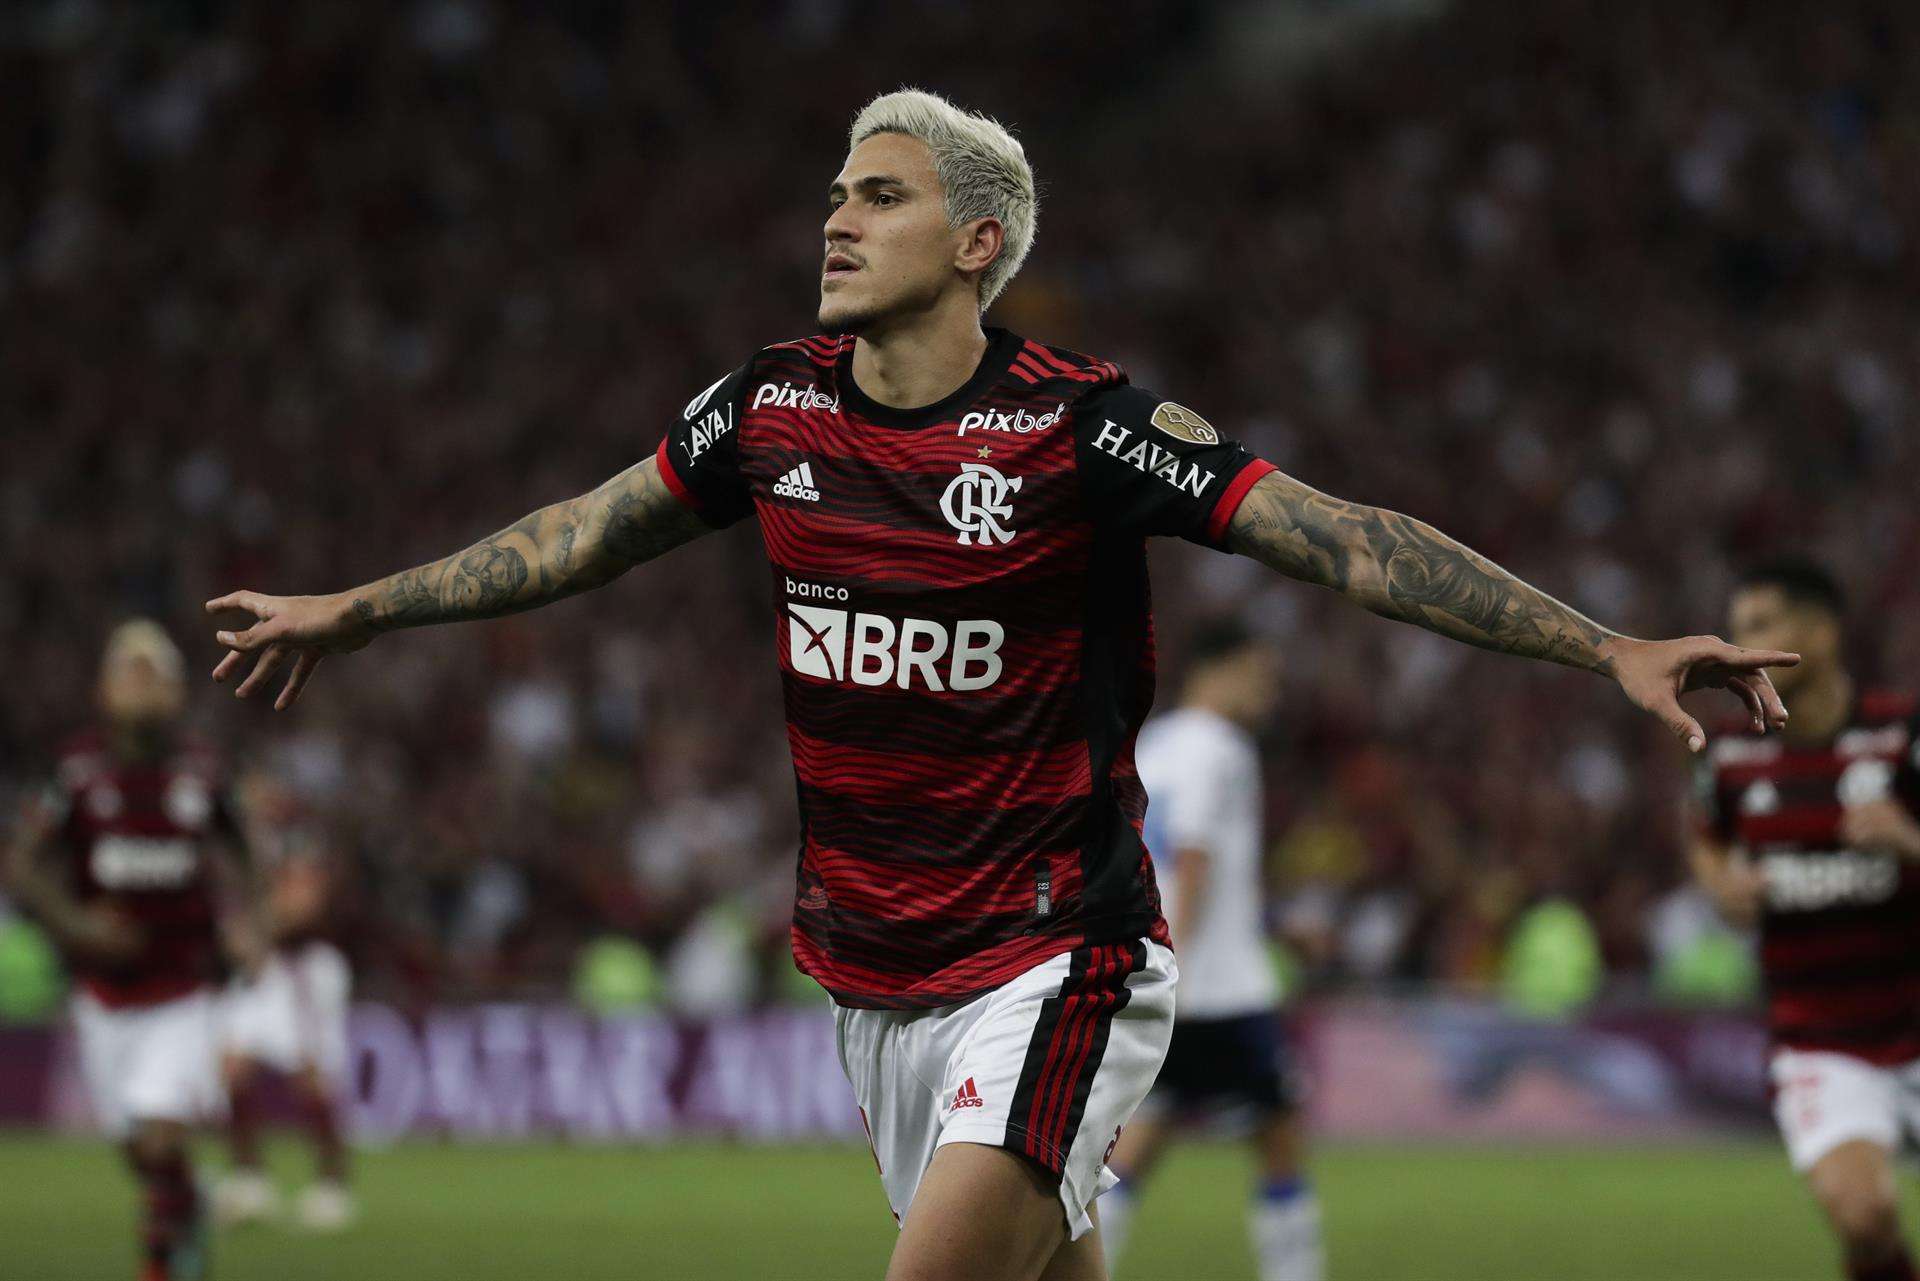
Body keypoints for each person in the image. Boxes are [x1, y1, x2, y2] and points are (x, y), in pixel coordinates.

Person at [202, 88, 1795, 1281]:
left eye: (879, 196)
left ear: (977, 245)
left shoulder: (1080, 426)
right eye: (836, 189)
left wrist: (1607, 644)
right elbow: (575, 536)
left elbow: (1343, 540)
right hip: (872, 976)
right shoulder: (766, 410)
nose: (835, 217)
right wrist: (358, 609)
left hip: (1058, 954)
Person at [5, 621, 257, 1281]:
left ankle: (162, 1266)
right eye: (128, 669)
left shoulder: (202, 771)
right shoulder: (77, 772)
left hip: (182, 989)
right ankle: (189, 1199)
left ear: (177, 692)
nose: (140, 682)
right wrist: (76, 923)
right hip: (102, 995)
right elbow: (27, 864)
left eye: (154, 672)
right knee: (140, 1154)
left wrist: (244, 921)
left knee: (160, 1133)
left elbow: (242, 852)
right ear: (102, 689)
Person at [1692, 560, 1920, 1281]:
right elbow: (1705, 834)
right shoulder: (1729, 757)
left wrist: (1910, 841)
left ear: (1820, 632)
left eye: (1760, 627)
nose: (1739, 646)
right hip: (1820, 1036)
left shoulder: (1901, 735)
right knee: (1863, 1215)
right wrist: (1720, 883)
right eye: (1738, 629)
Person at [1098, 620, 1322, 1280]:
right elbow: (1191, 855)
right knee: (1279, 1135)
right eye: (1259, 675)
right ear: (1217, 669)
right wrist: (1181, 960)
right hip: (1216, 987)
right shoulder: (1221, 748)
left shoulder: (1154, 744)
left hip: (1160, 971)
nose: (1267, 691)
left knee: (1143, 1135)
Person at [215, 778, 355, 1231]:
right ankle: (249, 1180)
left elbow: (303, 911)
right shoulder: (237, 858)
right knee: (233, 1071)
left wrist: (254, 929)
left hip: (304, 971)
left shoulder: (301, 848)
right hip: (263, 972)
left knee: (309, 1081)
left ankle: (333, 1186)